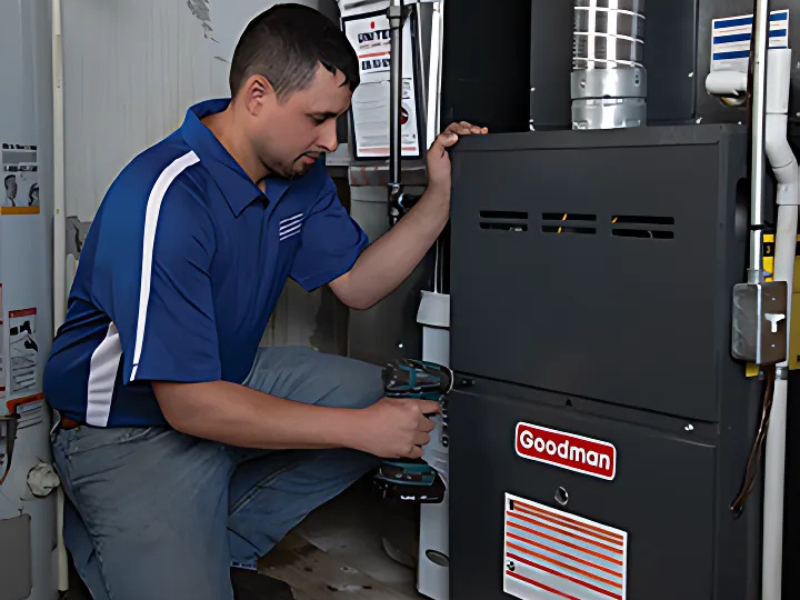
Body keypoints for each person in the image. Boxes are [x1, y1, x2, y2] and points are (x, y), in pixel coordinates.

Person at [43, 4, 487, 600]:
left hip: (228, 379)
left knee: (388, 403)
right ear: (256, 95)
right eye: (318, 119)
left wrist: (439, 198)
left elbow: (357, 282)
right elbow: (190, 409)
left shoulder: (295, 176)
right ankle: (122, 541)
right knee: (366, 424)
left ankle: (210, 541)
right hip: (128, 428)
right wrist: (360, 431)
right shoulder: (166, 198)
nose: (330, 141)